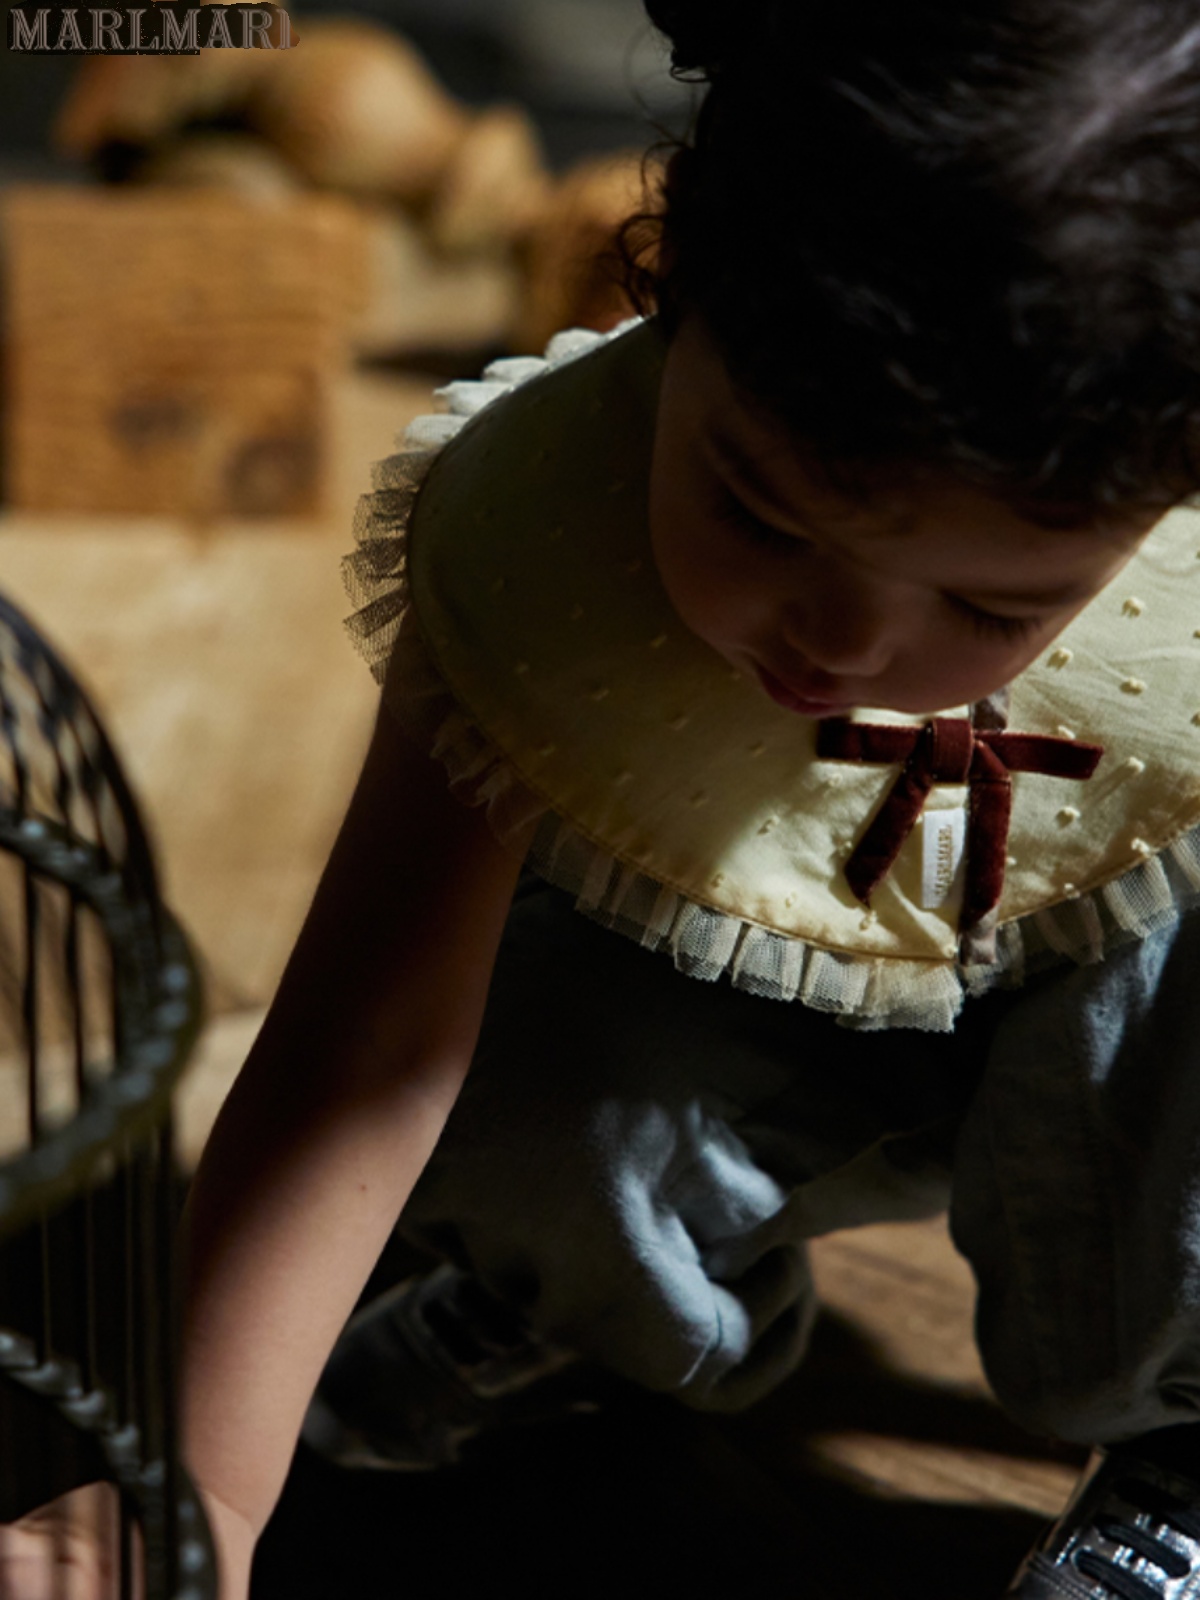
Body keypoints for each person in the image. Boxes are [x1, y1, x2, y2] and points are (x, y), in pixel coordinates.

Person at [179, 3, 1200, 1597]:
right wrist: (197, 1498)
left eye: (991, 606)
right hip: (762, 984)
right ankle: (596, 1314)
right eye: (759, 512)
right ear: (666, 293)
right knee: (536, 1074)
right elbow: (366, 1050)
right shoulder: (537, 539)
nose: (841, 645)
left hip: (1139, 1012)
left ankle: (1180, 1433)